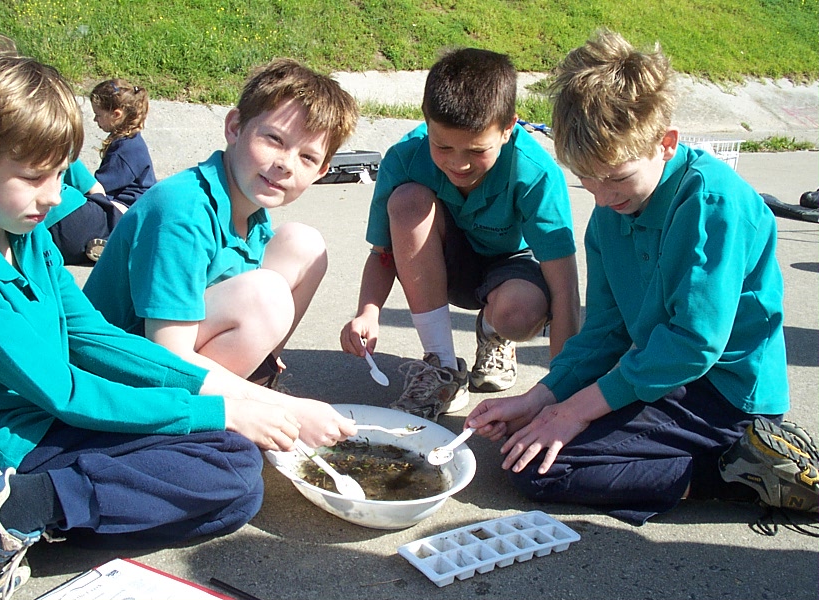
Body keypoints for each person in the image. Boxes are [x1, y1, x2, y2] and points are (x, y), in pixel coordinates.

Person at [0, 42, 353, 600]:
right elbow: (65, 389)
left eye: (60, 176)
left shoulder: (19, 231)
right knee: (231, 471)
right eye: (35, 178)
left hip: (40, 417)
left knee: (235, 477)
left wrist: (252, 407)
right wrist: (222, 409)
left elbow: (93, 335)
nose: (55, 198)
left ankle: (0, 515)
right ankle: (17, 505)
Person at [466, 30, 818, 525]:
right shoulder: (609, 216)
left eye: (616, 176)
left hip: (724, 396)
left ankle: (741, 471)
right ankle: (699, 460)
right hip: (658, 374)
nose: (604, 197)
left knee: (541, 471)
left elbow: (693, 344)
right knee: (528, 444)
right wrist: (540, 398)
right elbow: (606, 332)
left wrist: (578, 409)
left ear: (665, 143)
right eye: (587, 177)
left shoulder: (712, 204)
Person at [84, 58, 361, 389]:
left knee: (304, 245)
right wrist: (280, 411)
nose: (286, 164)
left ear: (320, 172)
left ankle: (258, 375)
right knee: (266, 296)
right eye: (274, 139)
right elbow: (168, 356)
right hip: (116, 379)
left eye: (307, 157)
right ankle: (231, 406)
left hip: (166, 359)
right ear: (234, 127)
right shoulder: (181, 209)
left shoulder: (252, 212)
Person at [339, 48, 579, 422]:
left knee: (520, 312)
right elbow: (382, 252)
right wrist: (368, 311)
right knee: (407, 202)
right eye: (443, 146)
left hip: (512, 265)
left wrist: (562, 394)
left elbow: (564, 290)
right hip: (444, 265)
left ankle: (494, 331)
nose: (458, 163)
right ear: (426, 123)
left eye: (477, 149)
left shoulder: (537, 173)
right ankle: (443, 368)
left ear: (508, 128)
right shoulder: (404, 157)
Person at [89, 78, 156, 206]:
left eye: (98, 115)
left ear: (116, 114)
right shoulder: (129, 139)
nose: (94, 119)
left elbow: (97, 187)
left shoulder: (123, 151)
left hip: (129, 209)